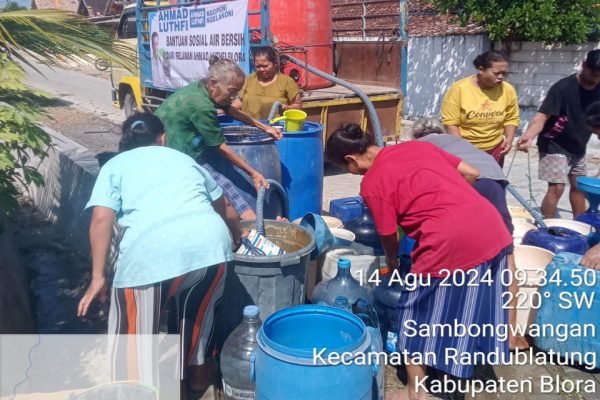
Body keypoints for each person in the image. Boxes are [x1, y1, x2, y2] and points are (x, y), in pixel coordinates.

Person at [326, 124, 512, 400]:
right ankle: (456, 372)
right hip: (491, 225)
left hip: (448, 238)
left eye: (345, 168)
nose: (350, 173)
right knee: (466, 303)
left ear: (351, 160)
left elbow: (388, 234)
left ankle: (417, 391)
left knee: (413, 311)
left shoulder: (373, 183)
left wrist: (392, 259)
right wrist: (450, 200)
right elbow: (472, 173)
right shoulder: (418, 146)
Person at [77, 113, 241, 394]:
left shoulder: (115, 165)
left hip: (148, 258)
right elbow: (224, 206)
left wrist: (97, 277)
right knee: (199, 326)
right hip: (210, 252)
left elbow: (102, 219)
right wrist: (234, 237)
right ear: (162, 138)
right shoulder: (183, 159)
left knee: (133, 352)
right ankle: (198, 380)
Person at [412, 117, 528, 351]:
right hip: (493, 185)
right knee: (506, 257)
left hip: (468, 184)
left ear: (416, 137)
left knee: (454, 253)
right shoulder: (460, 142)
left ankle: (448, 326)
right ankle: (511, 335)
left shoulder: (419, 146)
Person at [155, 58, 282, 221]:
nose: (233, 97)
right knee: (224, 185)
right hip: (175, 153)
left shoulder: (204, 88)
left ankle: (253, 226)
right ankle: (254, 228)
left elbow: (232, 111)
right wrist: (253, 173)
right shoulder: (202, 105)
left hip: (183, 144)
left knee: (224, 177)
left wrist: (265, 127)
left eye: (236, 92)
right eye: (231, 91)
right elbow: (221, 147)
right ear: (214, 82)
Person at [517, 50, 600, 218]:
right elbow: (542, 116)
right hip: (554, 143)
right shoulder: (563, 88)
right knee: (557, 187)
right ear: (584, 65)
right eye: (593, 73)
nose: (595, 79)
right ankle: (546, 226)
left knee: (579, 188)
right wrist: (528, 136)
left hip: (578, 145)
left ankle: (580, 225)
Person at [441, 51, 520, 166]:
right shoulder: (459, 89)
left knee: (492, 183)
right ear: (481, 69)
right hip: (466, 150)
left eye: (504, 73)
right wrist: (462, 150)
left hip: (495, 149)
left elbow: (511, 117)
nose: (501, 77)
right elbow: (450, 123)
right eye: (496, 73)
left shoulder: (508, 90)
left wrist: (509, 138)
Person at [233, 47, 302, 120]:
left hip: (276, 128)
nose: (261, 69)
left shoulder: (287, 82)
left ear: (275, 63)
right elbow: (239, 101)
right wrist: (225, 110)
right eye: (258, 66)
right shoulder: (250, 79)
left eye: (265, 66)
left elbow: (298, 106)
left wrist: (287, 108)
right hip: (250, 126)